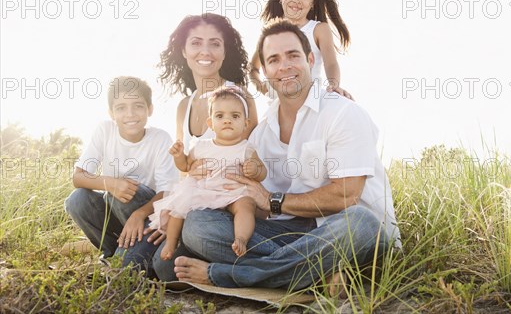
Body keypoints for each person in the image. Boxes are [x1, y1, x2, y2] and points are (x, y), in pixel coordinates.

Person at [153, 19, 400, 291]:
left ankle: (228, 275)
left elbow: (346, 195)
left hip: (346, 231)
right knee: (193, 232)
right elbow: (254, 204)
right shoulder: (261, 134)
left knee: (361, 223)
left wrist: (272, 201)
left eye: (293, 55)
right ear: (266, 71)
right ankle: (316, 273)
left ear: (309, 59)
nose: (284, 66)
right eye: (273, 60)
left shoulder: (343, 113)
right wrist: (205, 181)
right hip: (291, 235)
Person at [64, 76, 179, 274]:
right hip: (116, 209)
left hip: (147, 216)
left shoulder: (160, 138)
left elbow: (167, 192)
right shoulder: (104, 130)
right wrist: (111, 183)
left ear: (150, 109)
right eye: (121, 108)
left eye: (138, 106)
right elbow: (78, 177)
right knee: (78, 199)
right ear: (111, 113)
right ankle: (113, 250)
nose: (130, 114)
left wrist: (139, 213)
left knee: (127, 268)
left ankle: (132, 253)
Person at [149, 87, 266, 259]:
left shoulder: (246, 149)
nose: (227, 121)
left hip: (233, 192)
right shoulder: (202, 146)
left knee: (246, 206)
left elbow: (262, 172)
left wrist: (255, 170)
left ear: (245, 124)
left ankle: (241, 238)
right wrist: (179, 155)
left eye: (235, 116)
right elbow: (186, 167)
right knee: (179, 207)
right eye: (220, 116)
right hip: (204, 190)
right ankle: (171, 242)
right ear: (210, 123)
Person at [249, 0, 353, 99]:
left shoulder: (318, 29)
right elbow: (253, 68)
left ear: (312, 2)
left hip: (310, 102)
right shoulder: (270, 34)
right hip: (280, 107)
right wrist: (266, 90)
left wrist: (334, 84)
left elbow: (331, 62)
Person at [158, 13, 258, 155]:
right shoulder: (184, 107)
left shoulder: (239, 96)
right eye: (196, 43)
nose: (205, 51)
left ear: (224, 53)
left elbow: (244, 157)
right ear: (183, 51)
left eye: (215, 44)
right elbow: (182, 170)